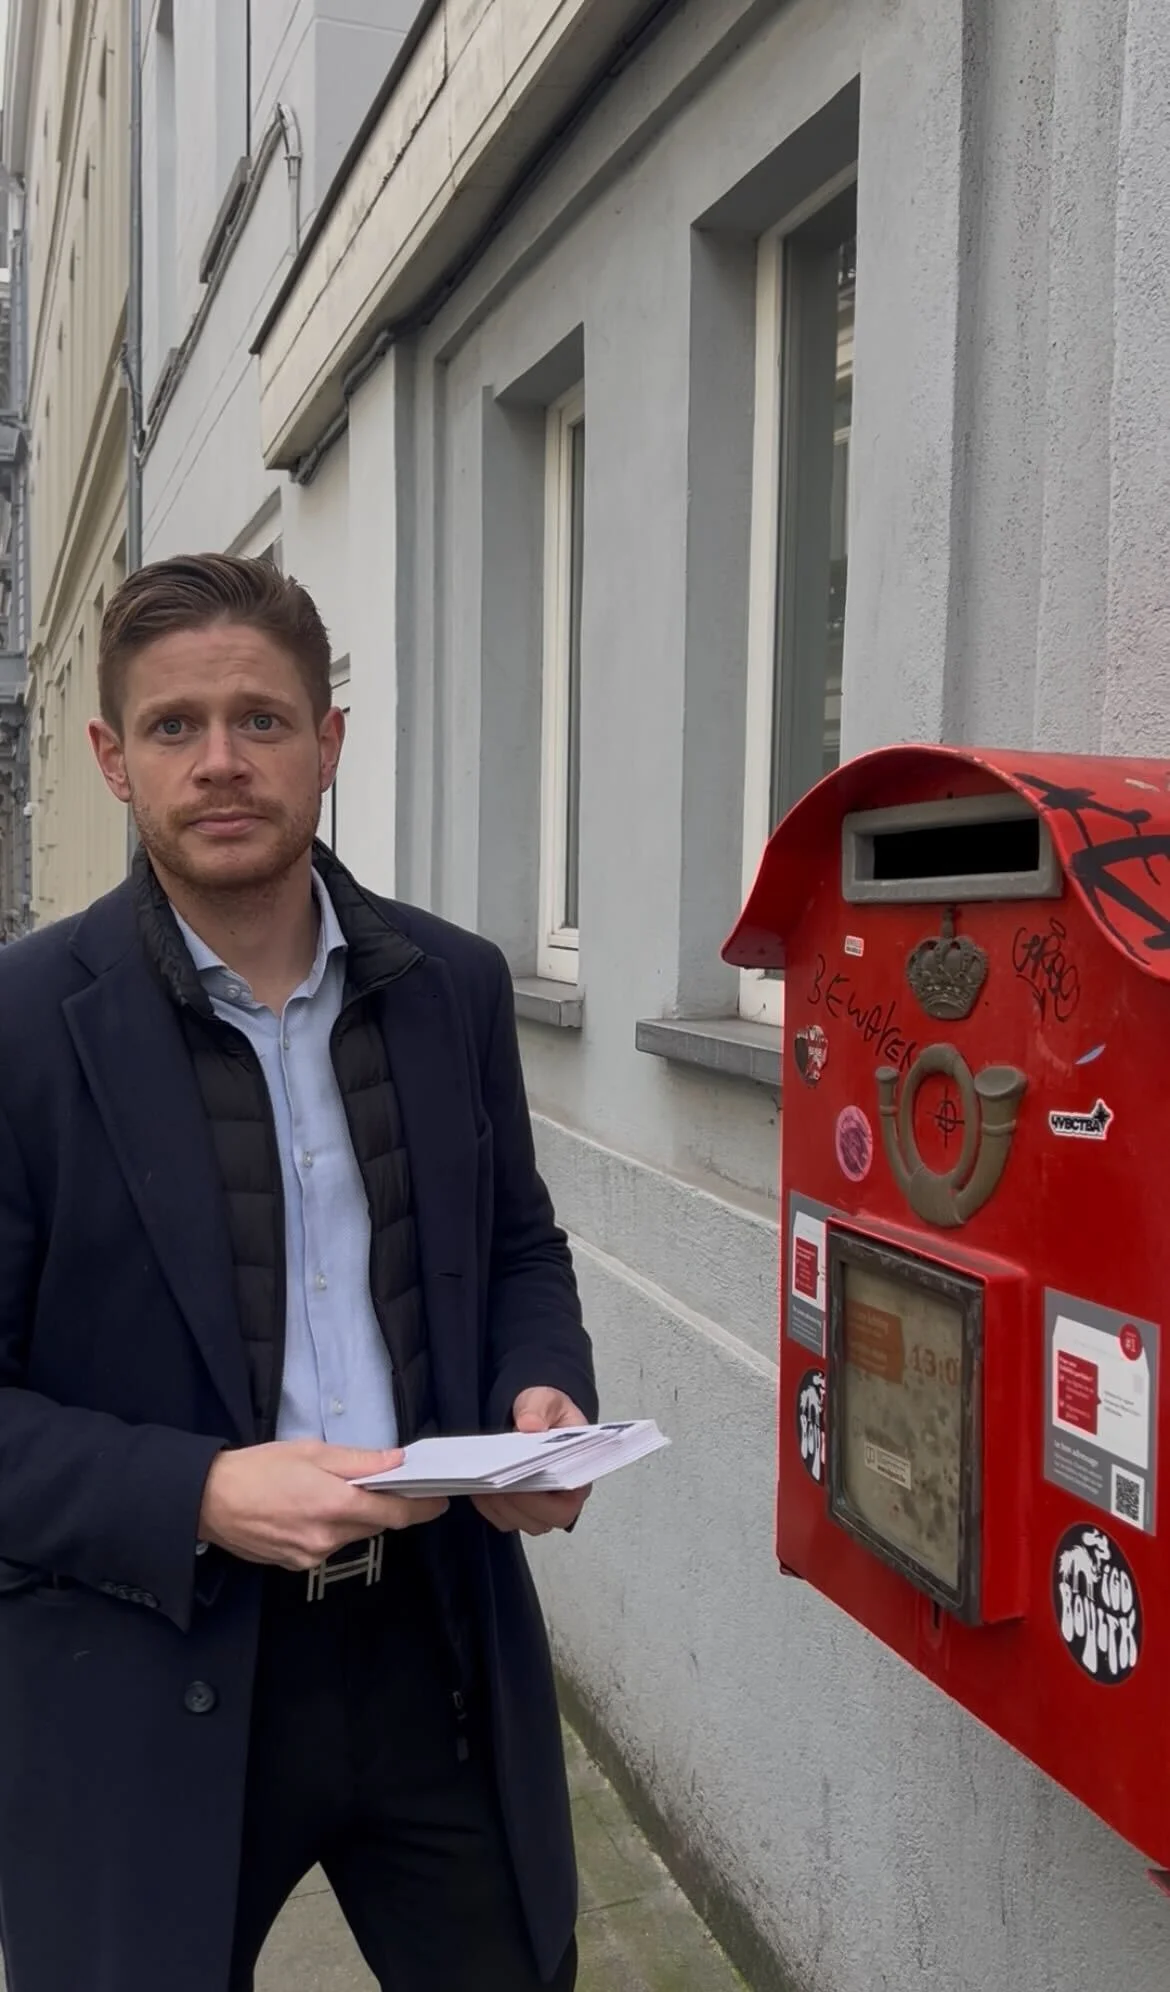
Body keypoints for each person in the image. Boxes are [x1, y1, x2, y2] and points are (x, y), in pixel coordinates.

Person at [0, 554, 596, 1992]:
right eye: (175, 725)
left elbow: (516, 1241)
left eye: (260, 720)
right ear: (114, 759)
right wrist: (197, 1492)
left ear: (329, 742)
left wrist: (541, 1391)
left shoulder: (451, 986)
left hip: (433, 1648)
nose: (220, 762)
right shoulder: (23, 1026)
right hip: (139, 1664)